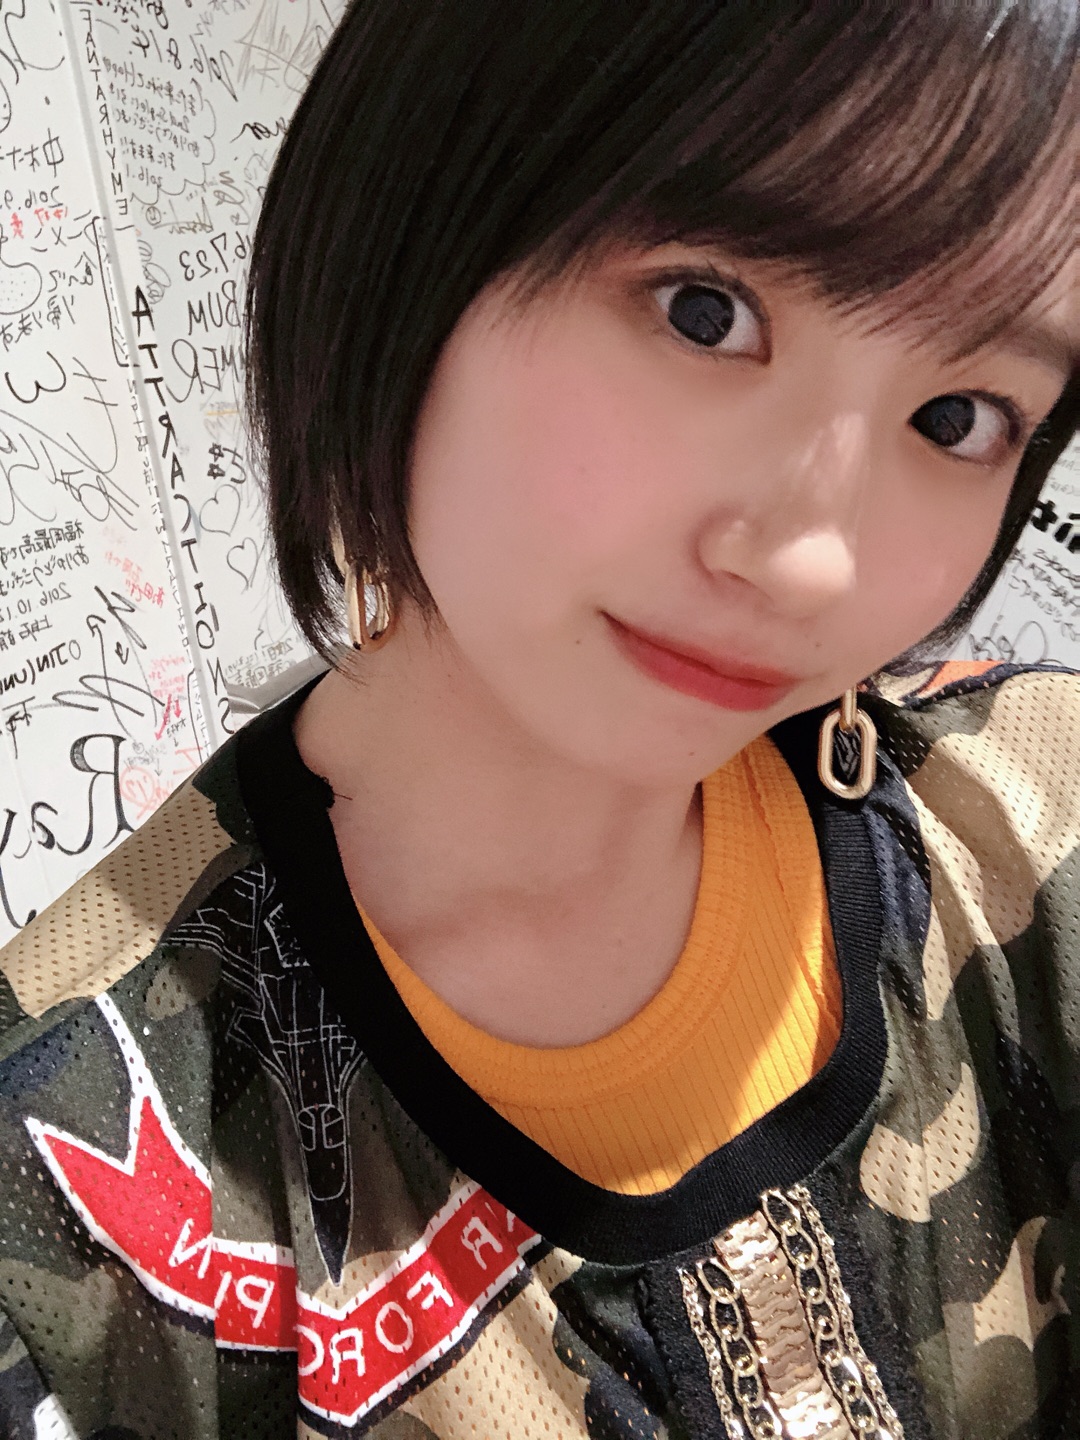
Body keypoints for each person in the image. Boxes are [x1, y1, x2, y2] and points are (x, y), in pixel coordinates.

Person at [0, 2, 1076, 1436]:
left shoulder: (1041, 820)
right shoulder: (65, 1194)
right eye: (706, 311)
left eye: (957, 418)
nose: (816, 561)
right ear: (416, 220)